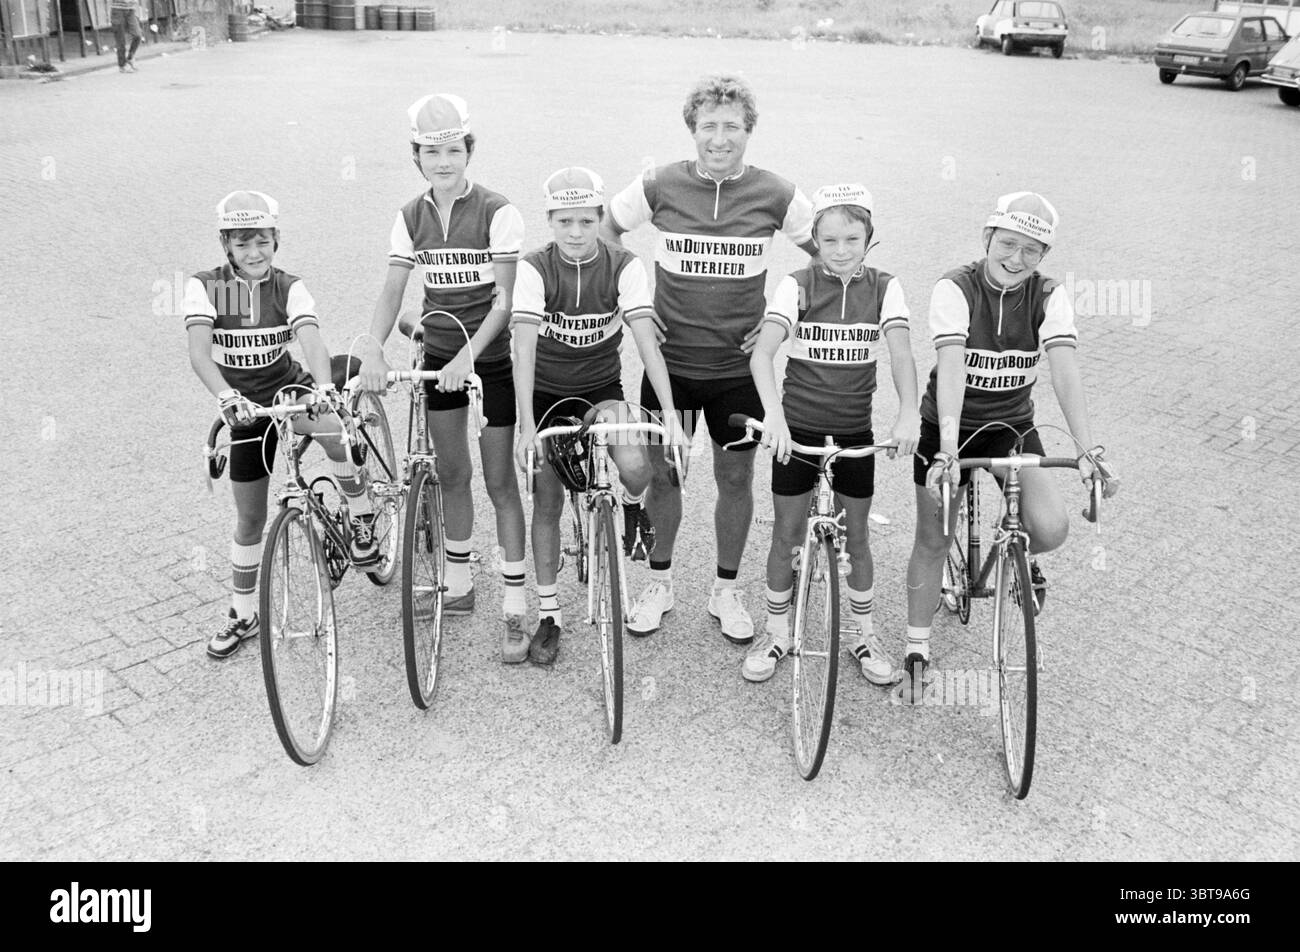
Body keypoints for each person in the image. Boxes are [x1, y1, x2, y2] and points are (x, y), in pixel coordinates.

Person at [602, 73, 817, 644]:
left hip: (735, 373)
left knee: (735, 477)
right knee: (663, 476)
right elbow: (606, 230)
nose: (719, 138)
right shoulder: (659, 183)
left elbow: (829, 256)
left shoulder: (777, 193)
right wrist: (633, 299)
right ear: (691, 130)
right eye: (708, 127)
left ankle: (726, 589)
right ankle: (660, 583)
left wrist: (778, 319)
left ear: (749, 130)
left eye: (732, 127)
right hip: (668, 367)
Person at [905, 191, 1119, 685]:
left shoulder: (1048, 295)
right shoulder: (956, 287)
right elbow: (952, 369)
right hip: (951, 428)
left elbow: (1064, 371)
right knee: (933, 540)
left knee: (1051, 529)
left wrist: (1087, 450)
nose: (1016, 258)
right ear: (987, 238)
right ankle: (916, 648)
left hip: (1012, 428)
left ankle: (1015, 550)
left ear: (1044, 254)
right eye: (1007, 244)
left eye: (1031, 250)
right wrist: (947, 452)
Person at [356, 94, 531, 662]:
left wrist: (470, 358)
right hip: (438, 359)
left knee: (500, 481)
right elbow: (393, 289)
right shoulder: (410, 216)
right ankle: (458, 581)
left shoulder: (498, 210)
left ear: (468, 151)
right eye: (432, 153)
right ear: (417, 158)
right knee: (453, 473)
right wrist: (373, 348)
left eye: (453, 150)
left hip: (489, 363)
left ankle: (515, 604)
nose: (443, 162)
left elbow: (504, 301)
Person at [186, 191, 375, 660]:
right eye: (242, 244)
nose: (254, 253)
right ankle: (242, 614)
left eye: (262, 242)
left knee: (333, 433)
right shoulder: (210, 287)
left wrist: (325, 388)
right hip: (246, 410)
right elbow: (200, 354)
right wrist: (227, 397)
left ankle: (362, 516)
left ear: (276, 240)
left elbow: (311, 340)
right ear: (226, 245)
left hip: (290, 391)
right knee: (250, 518)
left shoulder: (289, 287)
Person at [744, 184, 919, 684]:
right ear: (815, 240)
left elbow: (901, 353)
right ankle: (777, 631)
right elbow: (762, 354)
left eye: (852, 240)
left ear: (869, 239)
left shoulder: (885, 287)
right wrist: (774, 416)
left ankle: (863, 634)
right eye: (829, 240)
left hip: (853, 431)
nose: (840, 250)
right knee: (785, 534)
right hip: (797, 428)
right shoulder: (797, 284)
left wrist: (909, 413)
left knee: (857, 536)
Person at [511, 167, 686, 664]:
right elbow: (524, 351)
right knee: (546, 499)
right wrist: (527, 427)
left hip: (601, 390)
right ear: (549, 219)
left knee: (636, 466)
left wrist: (670, 415)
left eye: (586, 221)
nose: (575, 232)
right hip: (546, 394)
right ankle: (549, 614)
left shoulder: (623, 265)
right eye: (564, 221)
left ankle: (630, 507)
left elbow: (647, 344)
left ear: (599, 218)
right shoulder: (534, 268)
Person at [111, 0, 144, 73]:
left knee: (138, 35)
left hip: (130, 9)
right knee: (120, 41)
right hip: (118, 10)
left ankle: (130, 58)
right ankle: (122, 65)